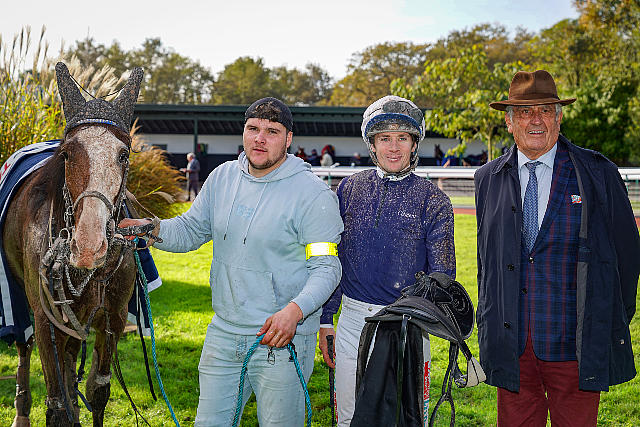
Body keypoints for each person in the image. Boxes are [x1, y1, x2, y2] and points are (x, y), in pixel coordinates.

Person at [119, 97, 343, 426]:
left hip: (283, 338)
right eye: (253, 129)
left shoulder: (313, 195)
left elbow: (326, 268)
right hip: (223, 333)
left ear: (288, 139)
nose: (260, 138)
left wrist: (295, 312)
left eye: (272, 131)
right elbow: (191, 230)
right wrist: (151, 229)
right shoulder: (222, 177)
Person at [475, 70, 640, 426]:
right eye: (525, 112)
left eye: (545, 110)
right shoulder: (487, 179)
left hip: (576, 349)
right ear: (509, 122)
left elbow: (628, 259)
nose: (536, 120)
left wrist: (605, 321)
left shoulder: (598, 173)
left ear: (559, 117)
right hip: (513, 348)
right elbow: (487, 264)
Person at [319, 95, 456, 426]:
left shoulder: (434, 200)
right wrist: (325, 319)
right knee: (349, 418)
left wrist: (411, 313)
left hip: (408, 326)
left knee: (406, 420)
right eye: (385, 138)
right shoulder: (349, 189)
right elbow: (333, 259)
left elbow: (442, 275)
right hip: (352, 321)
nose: (393, 147)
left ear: (414, 144)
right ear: (372, 144)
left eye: (402, 138)